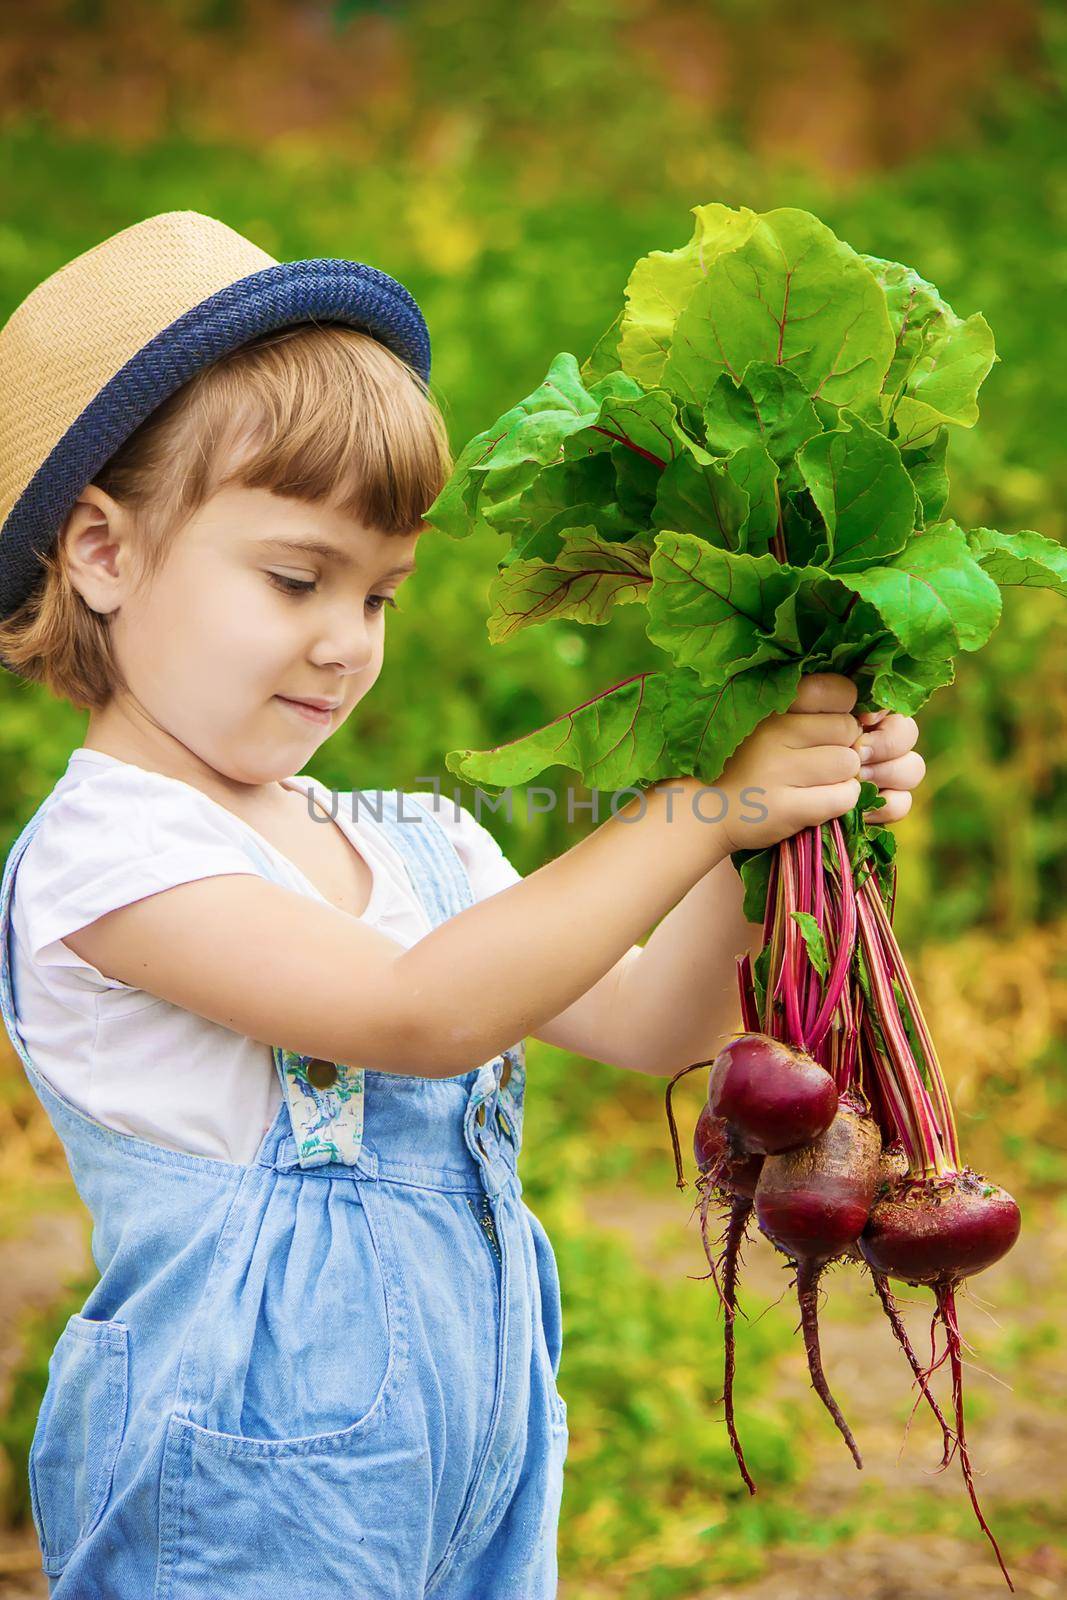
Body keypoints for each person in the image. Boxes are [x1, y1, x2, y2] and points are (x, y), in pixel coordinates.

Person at [0, 211, 925, 1598]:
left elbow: (645, 1018)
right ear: (103, 554)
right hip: (242, 1505)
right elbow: (413, 1014)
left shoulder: (414, 843)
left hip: (479, 1462)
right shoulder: (106, 856)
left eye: (380, 596)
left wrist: (784, 823)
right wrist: (703, 806)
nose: (344, 642)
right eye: (297, 578)